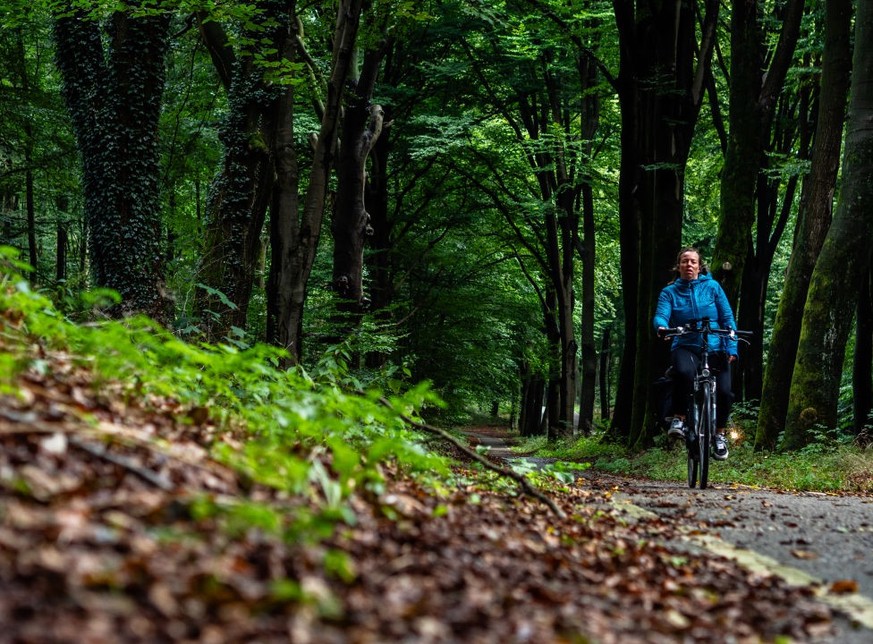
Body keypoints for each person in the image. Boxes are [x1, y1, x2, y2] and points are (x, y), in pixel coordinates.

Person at [652, 247, 738, 460]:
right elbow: (661, 315)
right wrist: (662, 327)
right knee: (684, 373)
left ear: (700, 266)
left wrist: (732, 347)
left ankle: (719, 435)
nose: (689, 265)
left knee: (725, 392)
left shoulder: (712, 287)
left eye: (693, 262)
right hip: (686, 345)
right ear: (678, 266)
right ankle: (679, 418)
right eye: (684, 261)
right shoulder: (669, 292)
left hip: (716, 346)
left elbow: (727, 318)